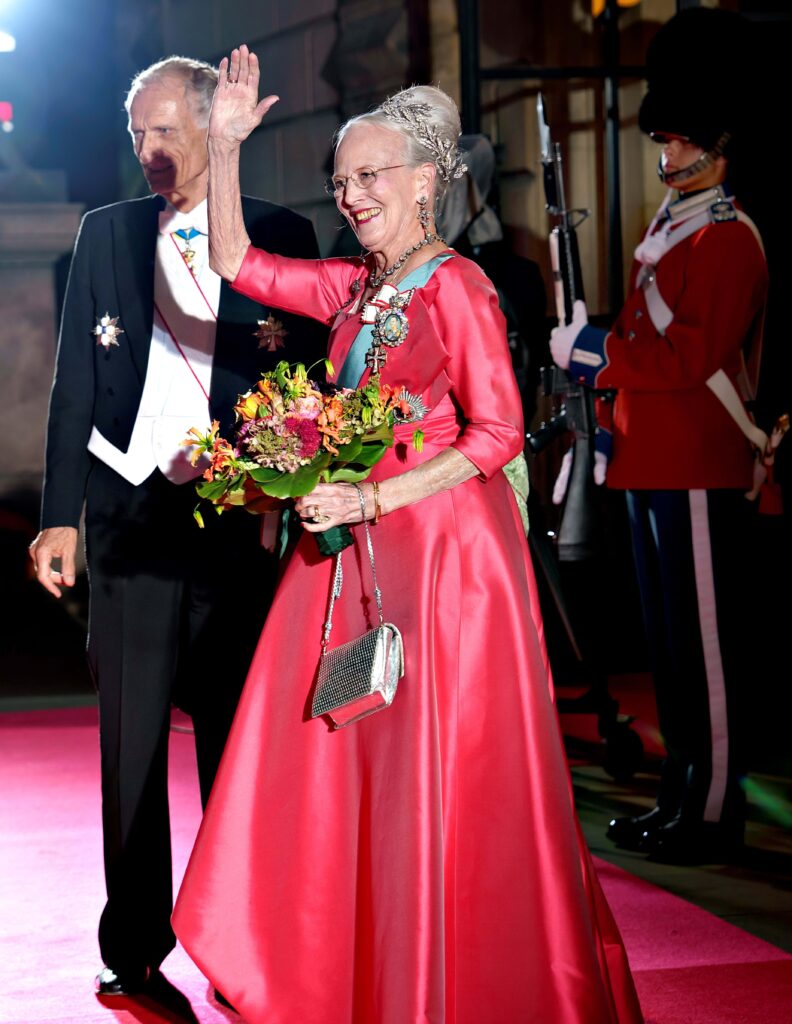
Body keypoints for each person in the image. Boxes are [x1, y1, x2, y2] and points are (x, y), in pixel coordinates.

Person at [172, 46, 643, 1023]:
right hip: (352, 556)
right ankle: (346, 961)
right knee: (341, 762)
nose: (350, 194)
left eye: (370, 175)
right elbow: (232, 262)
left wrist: (373, 500)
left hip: (443, 564)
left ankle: (440, 975)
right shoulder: (357, 289)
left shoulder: (457, 287)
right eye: (340, 180)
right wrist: (223, 150)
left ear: (426, 182)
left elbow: (499, 433)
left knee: (429, 776)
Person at [28, 56, 326, 996]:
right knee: (132, 749)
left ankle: (244, 941)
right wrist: (57, 518)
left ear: (214, 123)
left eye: (166, 131)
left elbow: (308, 385)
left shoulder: (280, 234)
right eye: (138, 137)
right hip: (127, 514)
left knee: (238, 745)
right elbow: (73, 384)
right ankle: (135, 954)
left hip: (234, 519)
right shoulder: (104, 234)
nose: (151, 152)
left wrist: (283, 489)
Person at [550, 8, 767, 865]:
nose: (666, 156)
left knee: (707, 654)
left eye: (678, 142)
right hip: (651, 460)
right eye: (664, 141)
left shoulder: (728, 238)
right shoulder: (673, 230)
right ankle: (682, 792)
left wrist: (592, 348)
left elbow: (685, 358)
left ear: (717, 143)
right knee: (672, 648)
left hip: (702, 464)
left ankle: (713, 811)